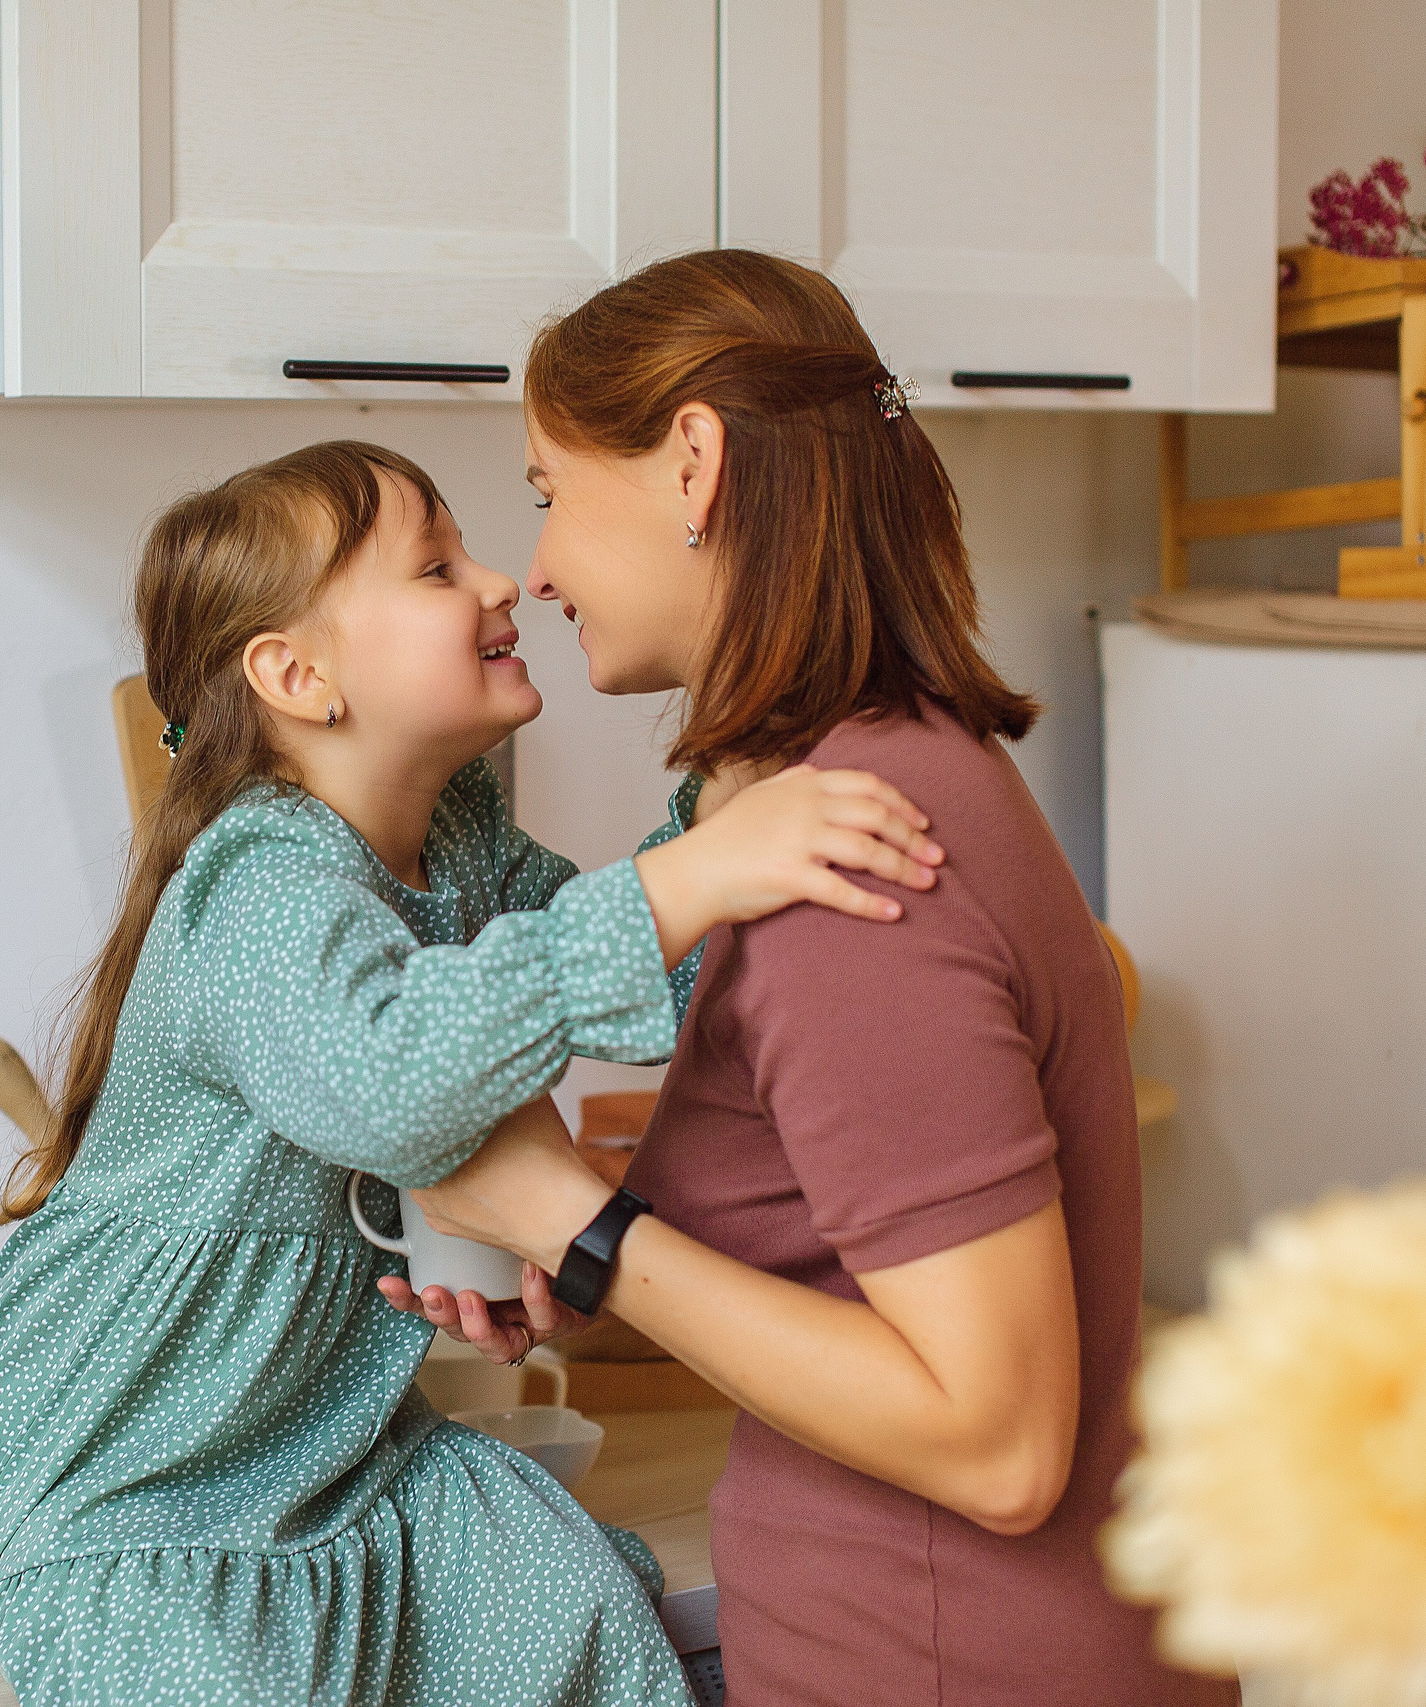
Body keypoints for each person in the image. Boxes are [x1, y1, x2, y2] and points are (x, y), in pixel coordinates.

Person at [0, 439, 947, 1706]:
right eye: (435, 567)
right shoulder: (255, 885)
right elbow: (396, 1078)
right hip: (116, 1491)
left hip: (322, 1456)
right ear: (297, 676)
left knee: (567, 1591)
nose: (501, 581)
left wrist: (729, 810)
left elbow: (662, 999)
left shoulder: (457, 843)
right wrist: (686, 880)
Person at [387, 251, 1237, 1706]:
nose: (540, 568)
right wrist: (585, 1269)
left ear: (694, 463)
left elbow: (999, 1442)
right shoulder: (865, 783)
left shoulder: (851, 873)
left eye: (549, 492)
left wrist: (567, 1220)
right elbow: (853, 1266)